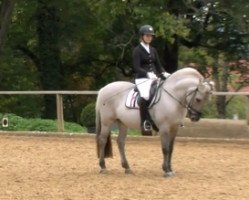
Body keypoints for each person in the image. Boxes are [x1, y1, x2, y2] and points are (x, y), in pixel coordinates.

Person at [132, 24, 170, 135]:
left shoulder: (153, 50)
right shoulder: (137, 50)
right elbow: (136, 67)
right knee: (145, 96)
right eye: (147, 35)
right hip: (142, 79)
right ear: (142, 36)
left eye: (151, 36)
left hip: (154, 78)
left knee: (165, 91)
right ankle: (145, 122)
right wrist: (147, 74)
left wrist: (164, 73)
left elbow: (158, 65)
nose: (149, 37)